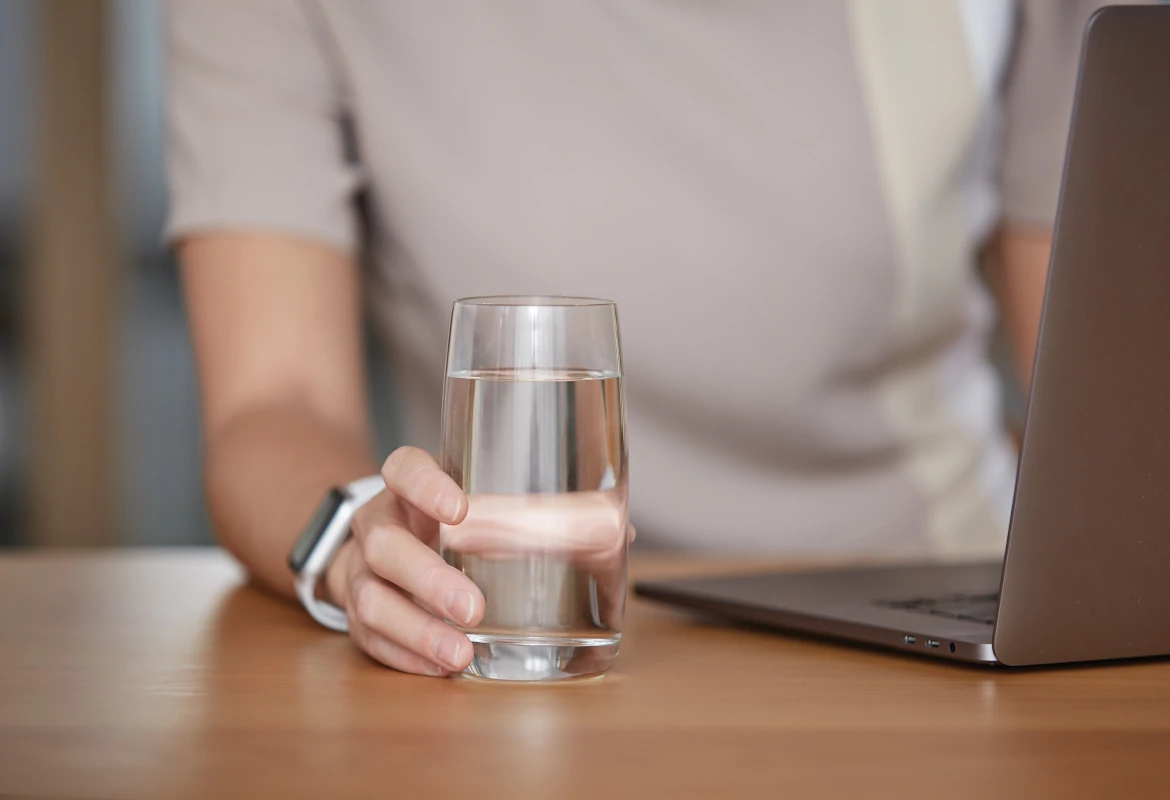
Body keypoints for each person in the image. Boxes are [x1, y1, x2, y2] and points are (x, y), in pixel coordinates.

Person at [165, 1, 1109, 676]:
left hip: (947, 626)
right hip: (519, 633)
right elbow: (271, 403)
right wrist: (358, 538)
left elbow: (1099, 399)